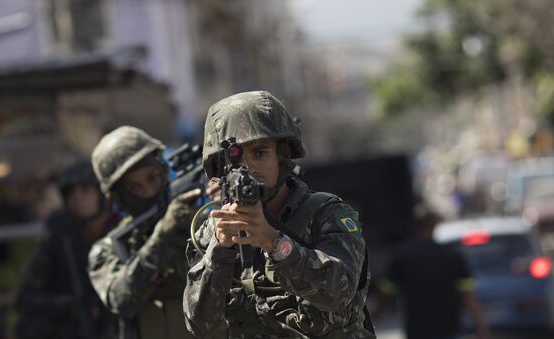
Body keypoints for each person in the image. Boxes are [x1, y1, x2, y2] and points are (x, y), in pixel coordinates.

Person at [183, 90, 376, 338]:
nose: (248, 168)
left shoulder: (327, 214)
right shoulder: (213, 231)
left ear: (282, 156)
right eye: (236, 159)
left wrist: (275, 243)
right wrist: (220, 251)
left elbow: (339, 294)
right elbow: (199, 325)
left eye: (260, 153)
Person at [88, 126, 199, 339]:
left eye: (152, 178)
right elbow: (122, 299)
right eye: (135, 188)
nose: (149, 191)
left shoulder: (198, 228)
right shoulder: (107, 250)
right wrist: (163, 235)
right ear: (117, 198)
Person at [15, 160, 117, 339]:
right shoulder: (59, 242)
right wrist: (64, 303)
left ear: (102, 194)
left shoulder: (119, 234)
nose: (77, 198)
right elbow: (25, 299)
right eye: (71, 193)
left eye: (85, 190)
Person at [375, 206, 491, 339]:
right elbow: (469, 296)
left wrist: (375, 316)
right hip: (449, 330)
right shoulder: (453, 256)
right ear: (435, 226)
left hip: (416, 331)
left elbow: (386, 292)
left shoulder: (402, 256)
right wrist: (482, 328)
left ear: (414, 227)